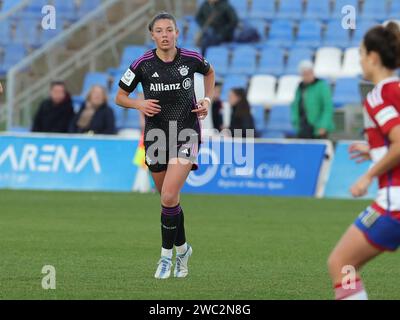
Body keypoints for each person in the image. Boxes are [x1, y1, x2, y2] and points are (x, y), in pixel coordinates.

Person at [115, 12, 215, 279]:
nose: (165, 35)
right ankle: (183, 249)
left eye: (169, 30)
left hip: (186, 133)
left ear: (177, 33)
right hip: (156, 136)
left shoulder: (191, 59)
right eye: (159, 31)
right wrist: (138, 103)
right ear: (152, 35)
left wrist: (206, 101)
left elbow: (210, 72)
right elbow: (120, 96)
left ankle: (165, 257)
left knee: (169, 195)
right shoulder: (142, 64)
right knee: (167, 201)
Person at [327, 22, 400, 300]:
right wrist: (376, 151)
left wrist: (368, 175)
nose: (359, 59)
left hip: (394, 202)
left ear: (373, 57)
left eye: (360, 53)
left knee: (341, 264)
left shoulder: (378, 95)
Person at [290, 60, 334, 139]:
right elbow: (295, 105)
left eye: (309, 73)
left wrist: (323, 125)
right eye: (304, 74)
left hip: (317, 127)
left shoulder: (321, 86)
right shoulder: (300, 87)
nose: (307, 76)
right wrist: (295, 122)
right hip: (303, 127)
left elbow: (328, 107)